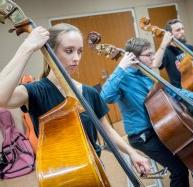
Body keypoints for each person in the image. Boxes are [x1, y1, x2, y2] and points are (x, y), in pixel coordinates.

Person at [0, 24, 151, 175]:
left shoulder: (89, 92)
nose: (76, 58)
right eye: (69, 51)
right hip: (57, 175)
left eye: (79, 51)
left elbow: (108, 130)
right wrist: (27, 48)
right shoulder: (34, 91)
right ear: (50, 51)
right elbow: (2, 98)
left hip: (94, 170)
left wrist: (132, 153)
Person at [101, 37, 193, 187]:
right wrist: (121, 67)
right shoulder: (123, 76)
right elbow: (105, 96)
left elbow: (171, 90)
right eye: (148, 55)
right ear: (134, 57)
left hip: (161, 128)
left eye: (152, 53)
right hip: (143, 135)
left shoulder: (147, 73)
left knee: (192, 157)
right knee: (179, 170)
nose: (153, 58)